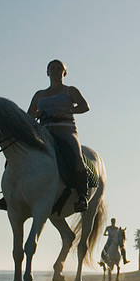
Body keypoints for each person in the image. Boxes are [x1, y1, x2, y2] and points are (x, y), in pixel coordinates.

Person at [29, 59, 91, 212]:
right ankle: (11, 193)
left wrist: (66, 112)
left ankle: (82, 196)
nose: (55, 71)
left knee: (76, 156)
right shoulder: (39, 95)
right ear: (47, 72)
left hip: (66, 130)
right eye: (52, 68)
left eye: (59, 68)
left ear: (64, 72)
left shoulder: (70, 91)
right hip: (44, 131)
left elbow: (84, 106)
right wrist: (36, 114)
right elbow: (29, 115)